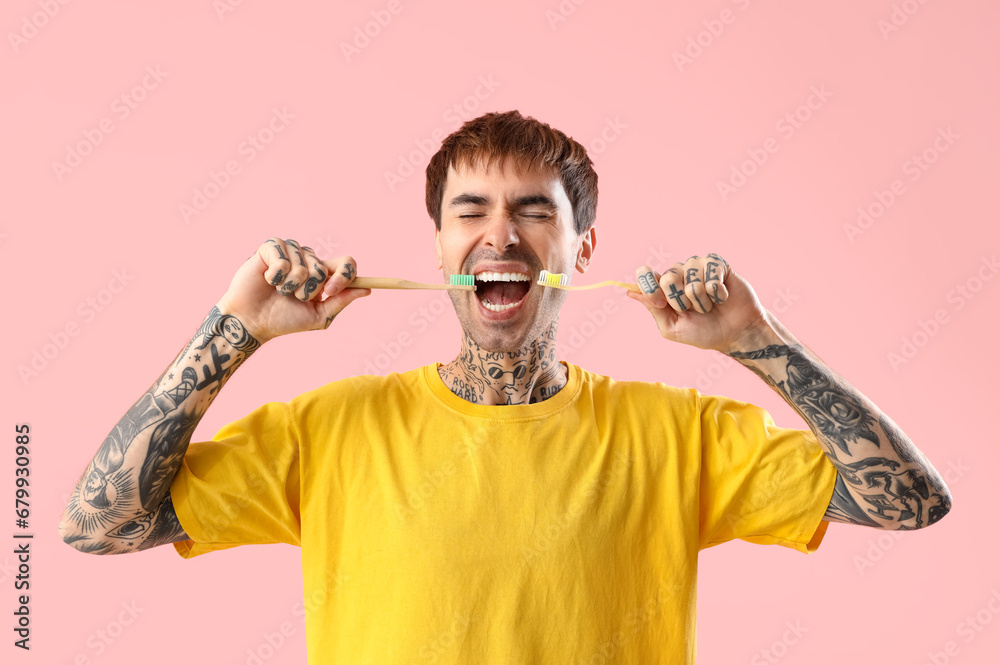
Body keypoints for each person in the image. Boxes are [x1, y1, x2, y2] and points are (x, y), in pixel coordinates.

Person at [58, 110, 952, 664]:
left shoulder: (678, 433)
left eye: (534, 210)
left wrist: (758, 342)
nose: (502, 236)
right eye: (470, 211)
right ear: (439, 248)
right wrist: (234, 329)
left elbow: (912, 502)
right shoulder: (329, 429)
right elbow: (100, 525)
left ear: (582, 249)